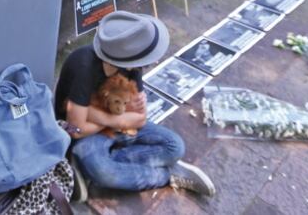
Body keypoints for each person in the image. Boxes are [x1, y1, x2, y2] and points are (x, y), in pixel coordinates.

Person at [53, 11, 215, 196]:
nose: (151, 62)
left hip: (109, 123)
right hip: (87, 135)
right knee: (105, 173)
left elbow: (139, 119)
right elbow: (76, 129)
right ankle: (167, 175)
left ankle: (98, 165)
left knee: (175, 147)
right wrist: (119, 120)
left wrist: (98, 116)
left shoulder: (131, 64)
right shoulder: (83, 66)